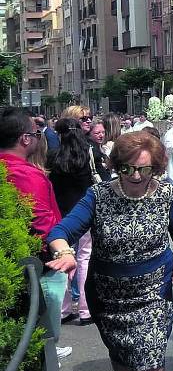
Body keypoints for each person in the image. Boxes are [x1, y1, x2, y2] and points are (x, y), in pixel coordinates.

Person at [47, 131, 173, 371]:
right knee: (122, 353)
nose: (135, 176)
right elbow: (61, 231)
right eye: (127, 168)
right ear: (115, 166)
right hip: (107, 297)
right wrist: (64, 253)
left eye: (143, 169)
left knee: (149, 357)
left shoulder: (167, 193)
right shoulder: (98, 195)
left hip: (155, 294)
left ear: (156, 167)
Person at [0, 108, 71, 360]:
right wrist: (63, 252)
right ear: (25, 139)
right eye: (36, 133)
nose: (39, 137)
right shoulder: (25, 174)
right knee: (42, 337)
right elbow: (43, 223)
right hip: (38, 264)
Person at [47, 118, 98, 326]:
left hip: (61, 215)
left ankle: (63, 309)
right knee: (85, 257)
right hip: (84, 212)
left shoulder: (54, 157)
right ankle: (86, 309)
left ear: (60, 135)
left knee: (61, 259)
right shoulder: (89, 154)